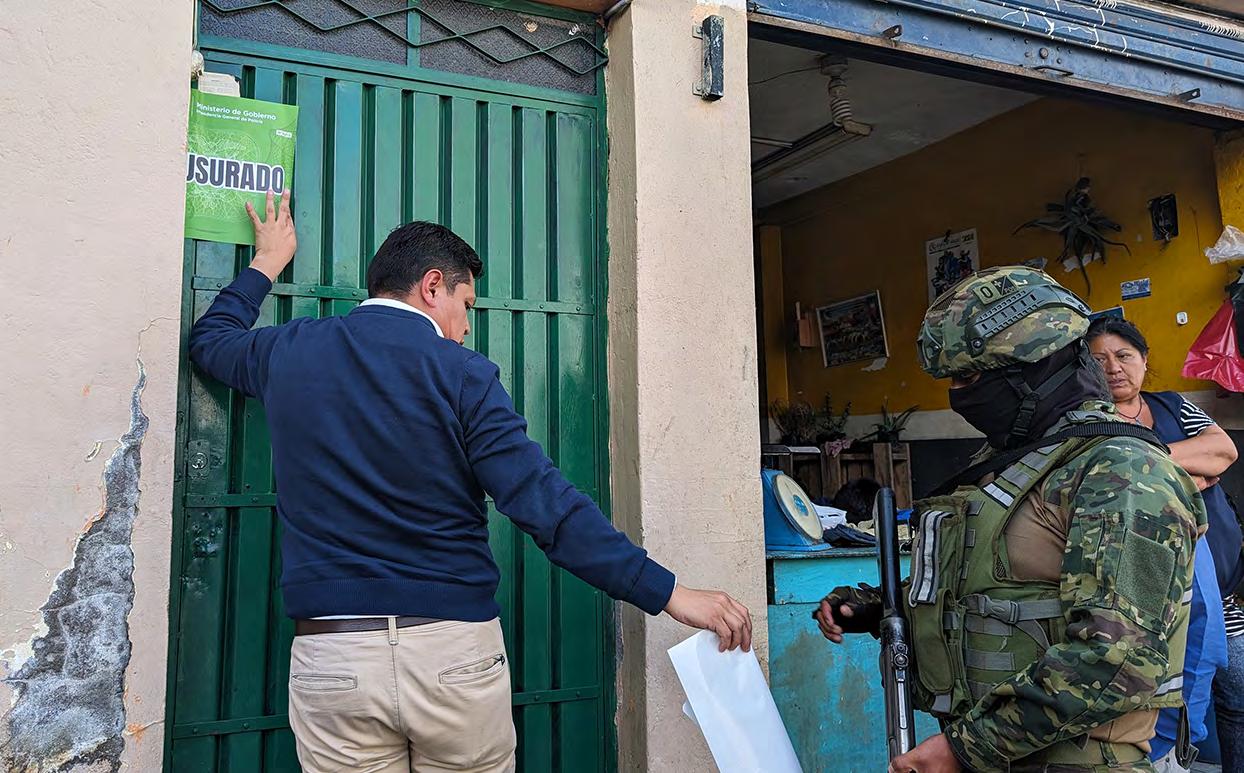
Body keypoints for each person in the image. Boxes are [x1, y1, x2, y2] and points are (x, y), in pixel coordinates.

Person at [189, 191, 752, 772]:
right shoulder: (463, 374)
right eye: (466, 305)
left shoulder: (289, 351)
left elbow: (209, 343)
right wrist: (671, 594)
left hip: (333, 657)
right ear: (432, 287)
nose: (463, 328)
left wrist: (267, 262)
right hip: (452, 658)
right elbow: (548, 507)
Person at [814, 266, 1203, 773]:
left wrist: (965, 749)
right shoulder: (1017, 464)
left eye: (970, 378)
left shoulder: (1122, 471)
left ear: (1034, 370)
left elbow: (1117, 660)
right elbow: (992, 595)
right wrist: (879, 609)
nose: (959, 395)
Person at [1087, 316, 1241, 772]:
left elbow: (1224, 451)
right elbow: (1112, 481)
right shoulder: (1091, 423)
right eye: (1099, 360)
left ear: (1144, 359)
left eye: (1123, 355)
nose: (1113, 368)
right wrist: (1192, 472)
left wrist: (1146, 464)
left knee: (1236, 692)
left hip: (1221, 587)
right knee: (1169, 698)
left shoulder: (1173, 405)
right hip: (1154, 597)